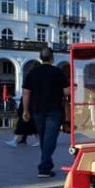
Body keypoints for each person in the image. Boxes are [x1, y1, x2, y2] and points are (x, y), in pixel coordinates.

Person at [22, 47, 70, 178]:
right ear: (52, 58)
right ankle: (43, 168)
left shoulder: (32, 73)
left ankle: (46, 165)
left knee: (44, 138)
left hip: (37, 109)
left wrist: (25, 110)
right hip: (54, 109)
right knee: (50, 138)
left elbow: (26, 93)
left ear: (40, 57)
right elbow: (67, 92)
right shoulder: (57, 72)